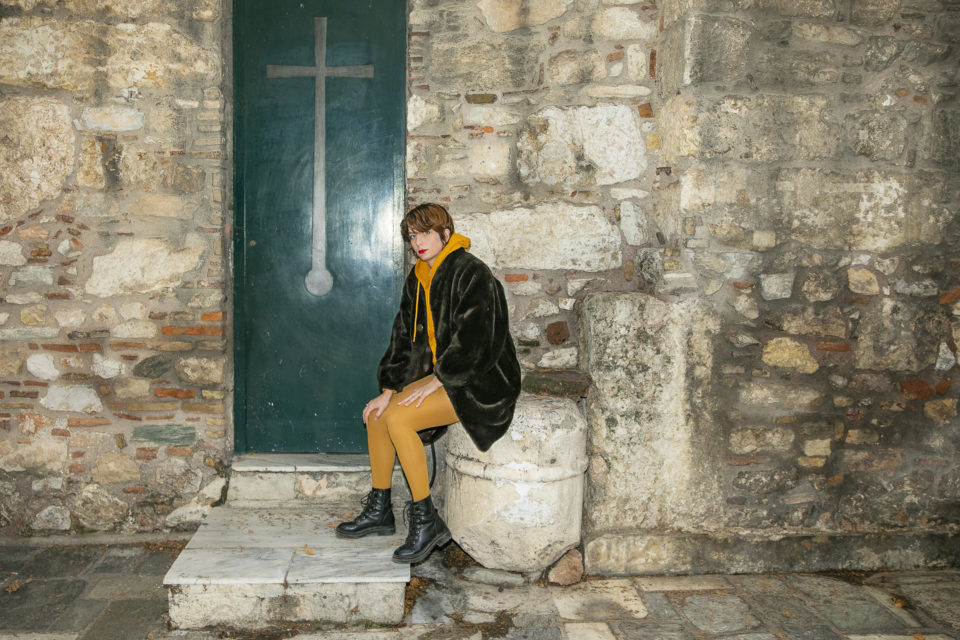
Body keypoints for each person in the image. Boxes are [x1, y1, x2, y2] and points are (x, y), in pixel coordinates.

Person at [336, 203, 522, 564]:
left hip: (479, 380)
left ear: (445, 234)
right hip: (442, 379)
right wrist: (389, 390)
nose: (417, 242)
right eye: (412, 236)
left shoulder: (472, 273)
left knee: (399, 419)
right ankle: (380, 508)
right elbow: (402, 335)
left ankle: (427, 520)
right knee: (378, 415)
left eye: (424, 234)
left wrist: (437, 381)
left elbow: (476, 342)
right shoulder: (419, 276)